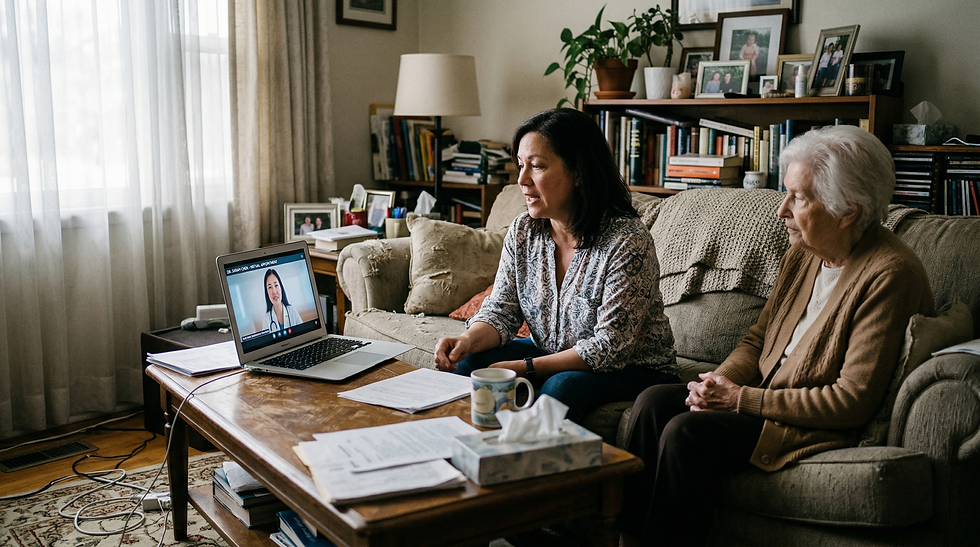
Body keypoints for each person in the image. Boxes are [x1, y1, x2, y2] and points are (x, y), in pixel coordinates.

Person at [617, 125, 934, 547]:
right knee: (654, 401)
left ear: (847, 211)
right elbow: (757, 340)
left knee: (686, 433)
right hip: (760, 398)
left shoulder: (891, 276)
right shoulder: (804, 253)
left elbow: (850, 402)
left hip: (803, 421)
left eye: (798, 197)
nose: (781, 209)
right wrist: (718, 382)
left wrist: (739, 399)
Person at [433, 108, 678, 425]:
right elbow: (502, 311)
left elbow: (610, 347)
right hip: (551, 352)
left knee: (561, 386)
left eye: (536, 166)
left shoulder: (627, 241)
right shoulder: (524, 231)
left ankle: (526, 468)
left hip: (635, 368)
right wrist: (467, 341)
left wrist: (526, 367)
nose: (522, 180)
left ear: (578, 171)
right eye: (521, 166)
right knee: (471, 362)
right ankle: (452, 450)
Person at [262, 268, 300, 333]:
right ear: (267, 293)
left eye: (276, 285)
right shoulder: (266, 319)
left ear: (281, 288)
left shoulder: (292, 311)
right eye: (270, 287)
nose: (274, 291)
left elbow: (304, 334)